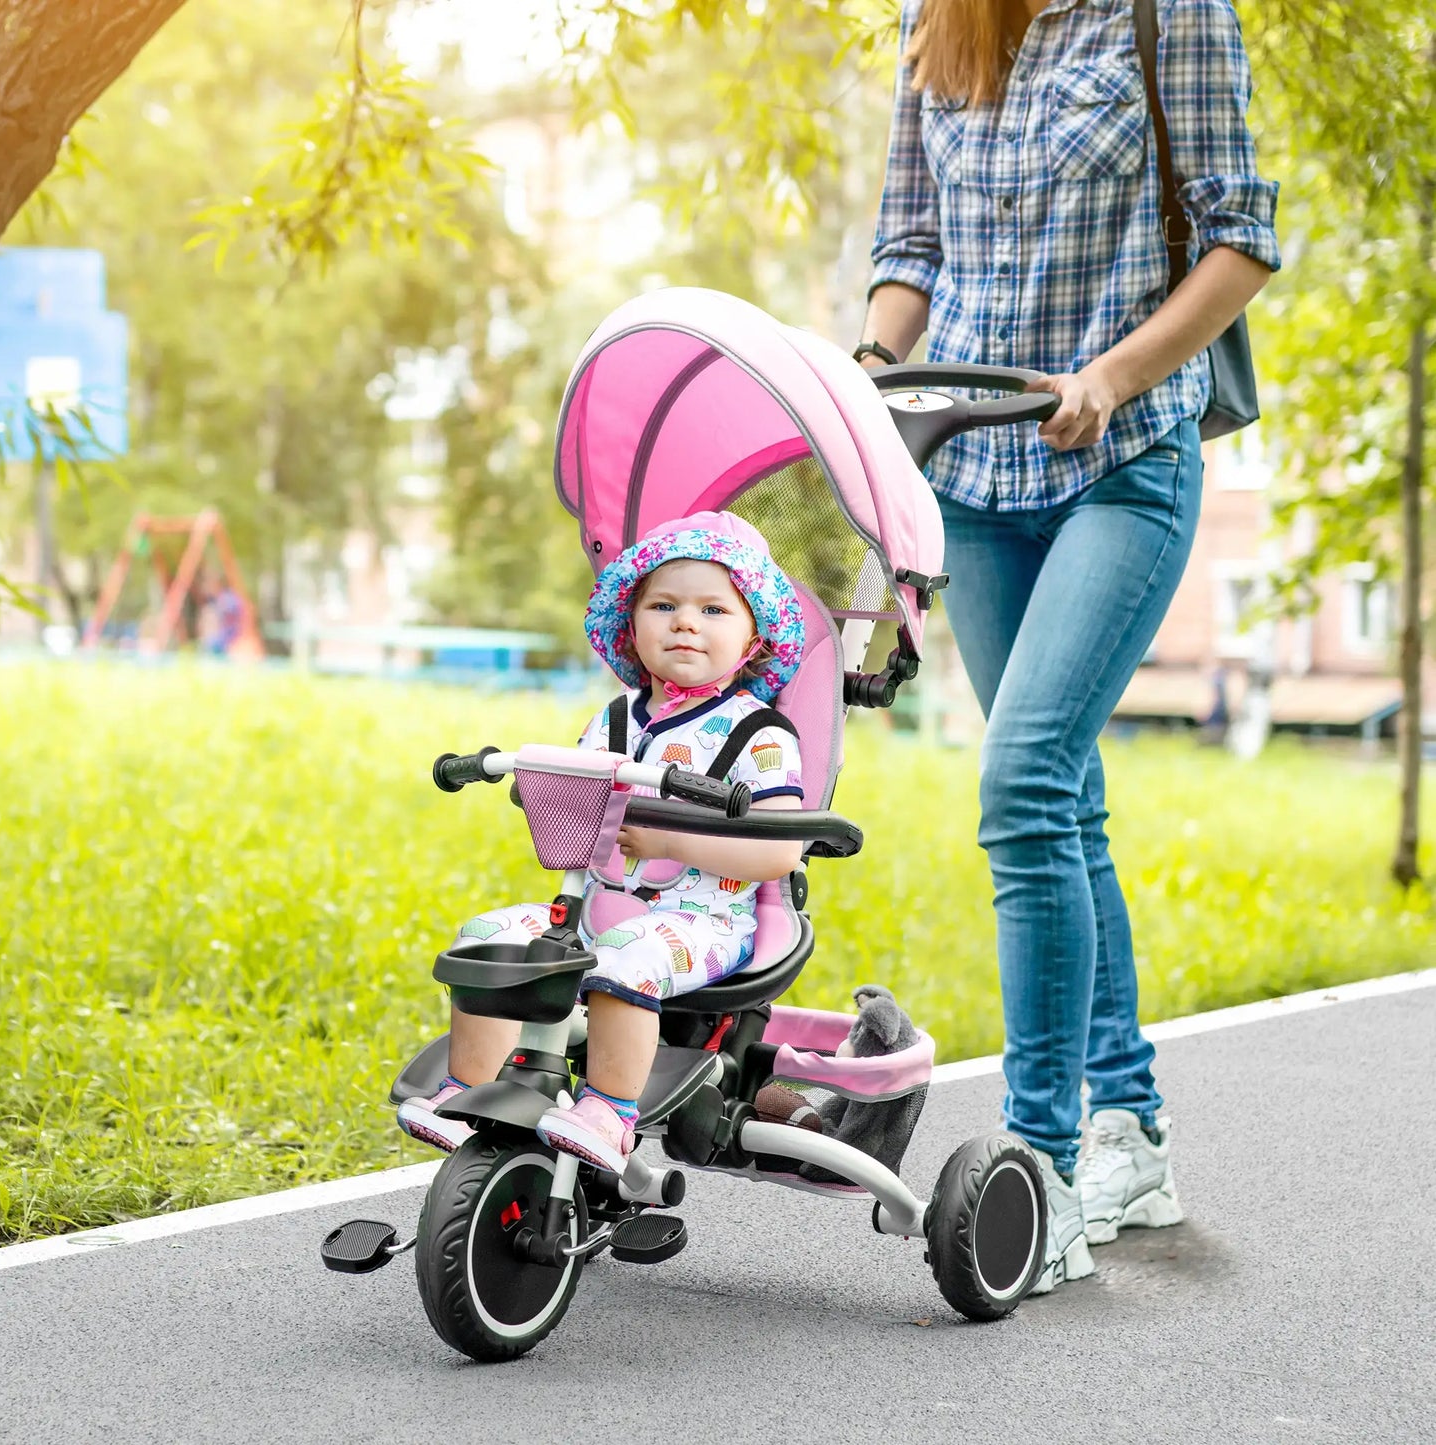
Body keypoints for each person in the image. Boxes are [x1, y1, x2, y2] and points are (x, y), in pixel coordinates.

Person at [855, 0, 1279, 1292]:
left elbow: (1241, 239)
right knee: (1064, 800)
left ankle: (1035, 1172)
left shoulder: (1170, 13)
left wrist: (1119, 370)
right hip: (969, 471)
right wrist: (869, 365)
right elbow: (910, 241)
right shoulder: (942, 23)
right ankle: (1127, 1129)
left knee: (1024, 778)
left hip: (1119, 462)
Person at [398, 512, 807, 1173]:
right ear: (632, 622)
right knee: (489, 935)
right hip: (600, 905)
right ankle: (468, 1088)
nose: (685, 622)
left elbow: (778, 851)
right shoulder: (614, 718)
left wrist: (672, 835)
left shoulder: (758, 733)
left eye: (712, 608)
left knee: (623, 959)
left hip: (704, 918)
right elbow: (574, 792)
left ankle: (608, 1111)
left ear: (754, 636)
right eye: (664, 605)